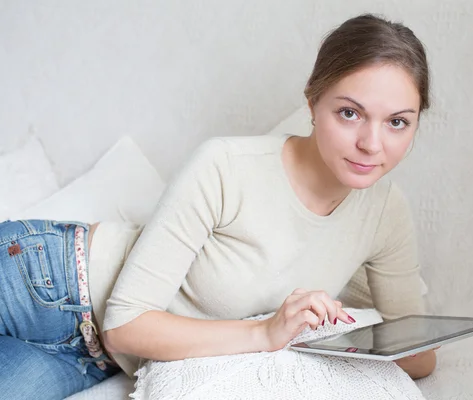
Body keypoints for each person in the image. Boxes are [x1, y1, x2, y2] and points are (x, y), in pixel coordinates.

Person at [0, 13, 436, 399]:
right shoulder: (226, 165)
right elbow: (125, 324)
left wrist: (334, 335)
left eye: (397, 122)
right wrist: (265, 334)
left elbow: (419, 356)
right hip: (43, 276)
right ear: (313, 100)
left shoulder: (385, 213)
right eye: (350, 113)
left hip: (93, 360)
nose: (371, 144)